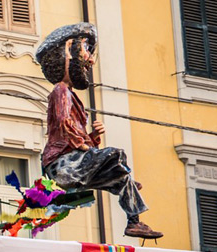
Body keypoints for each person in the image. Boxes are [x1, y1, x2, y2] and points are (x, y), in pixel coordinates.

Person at [35, 23, 162, 239]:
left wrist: (93, 138)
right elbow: (63, 123)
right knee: (116, 155)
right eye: (85, 49)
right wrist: (84, 144)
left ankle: (134, 222)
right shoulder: (61, 91)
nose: (91, 60)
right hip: (61, 165)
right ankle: (126, 173)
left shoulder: (71, 95)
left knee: (121, 179)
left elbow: (72, 132)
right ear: (68, 51)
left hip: (72, 164)